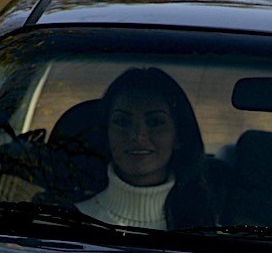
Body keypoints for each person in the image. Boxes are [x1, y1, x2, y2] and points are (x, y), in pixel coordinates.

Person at [74, 67, 218, 230]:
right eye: (122, 122)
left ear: (178, 136)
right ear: (106, 133)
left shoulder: (208, 230)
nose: (138, 136)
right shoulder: (62, 223)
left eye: (155, 122)